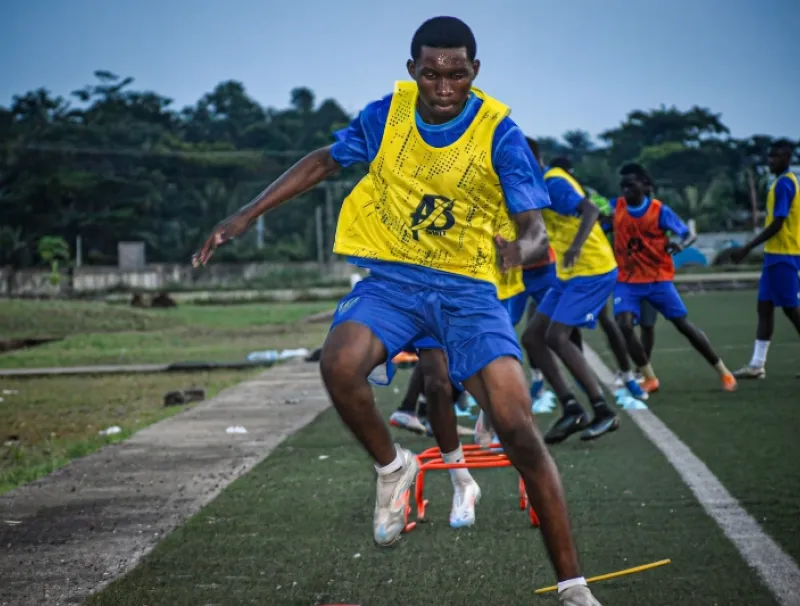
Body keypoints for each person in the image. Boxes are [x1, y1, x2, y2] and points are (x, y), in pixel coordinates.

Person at [193, 16, 601, 606]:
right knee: (338, 364)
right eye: (431, 73)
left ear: (474, 73)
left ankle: (573, 587)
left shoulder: (500, 134)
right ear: (413, 70)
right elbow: (323, 161)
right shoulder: (387, 115)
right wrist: (246, 215)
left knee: (517, 429)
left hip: (467, 291)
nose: (443, 86)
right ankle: (393, 469)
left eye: (456, 74)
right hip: (394, 280)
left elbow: (536, 232)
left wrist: (522, 250)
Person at [609, 163, 737, 392]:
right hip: (627, 281)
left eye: (631, 184)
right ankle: (648, 377)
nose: (625, 189)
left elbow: (689, 235)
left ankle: (723, 371)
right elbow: (596, 216)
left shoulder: (659, 211)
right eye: (623, 185)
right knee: (624, 325)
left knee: (684, 326)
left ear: (645, 185)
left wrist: (680, 244)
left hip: (658, 279)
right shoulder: (616, 207)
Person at [521, 156, 621, 444]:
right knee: (533, 337)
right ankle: (572, 408)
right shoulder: (535, 185)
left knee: (558, 337)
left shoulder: (553, 183)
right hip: (569, 274)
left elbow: (590, 210)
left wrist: (575, 247)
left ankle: (603, 411)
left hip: (591, 270)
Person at [732, 139, 800, 379]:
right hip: (774, 255)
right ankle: (757, 364)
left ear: (787, 158)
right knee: (765, 308)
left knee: (792, 309)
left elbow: (778, 223)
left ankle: (757, 364)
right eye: (769, 157)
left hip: (785, 255)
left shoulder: (785, 185)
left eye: (776, 157)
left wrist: (748, 247)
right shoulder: (778, 183)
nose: (770, 161)